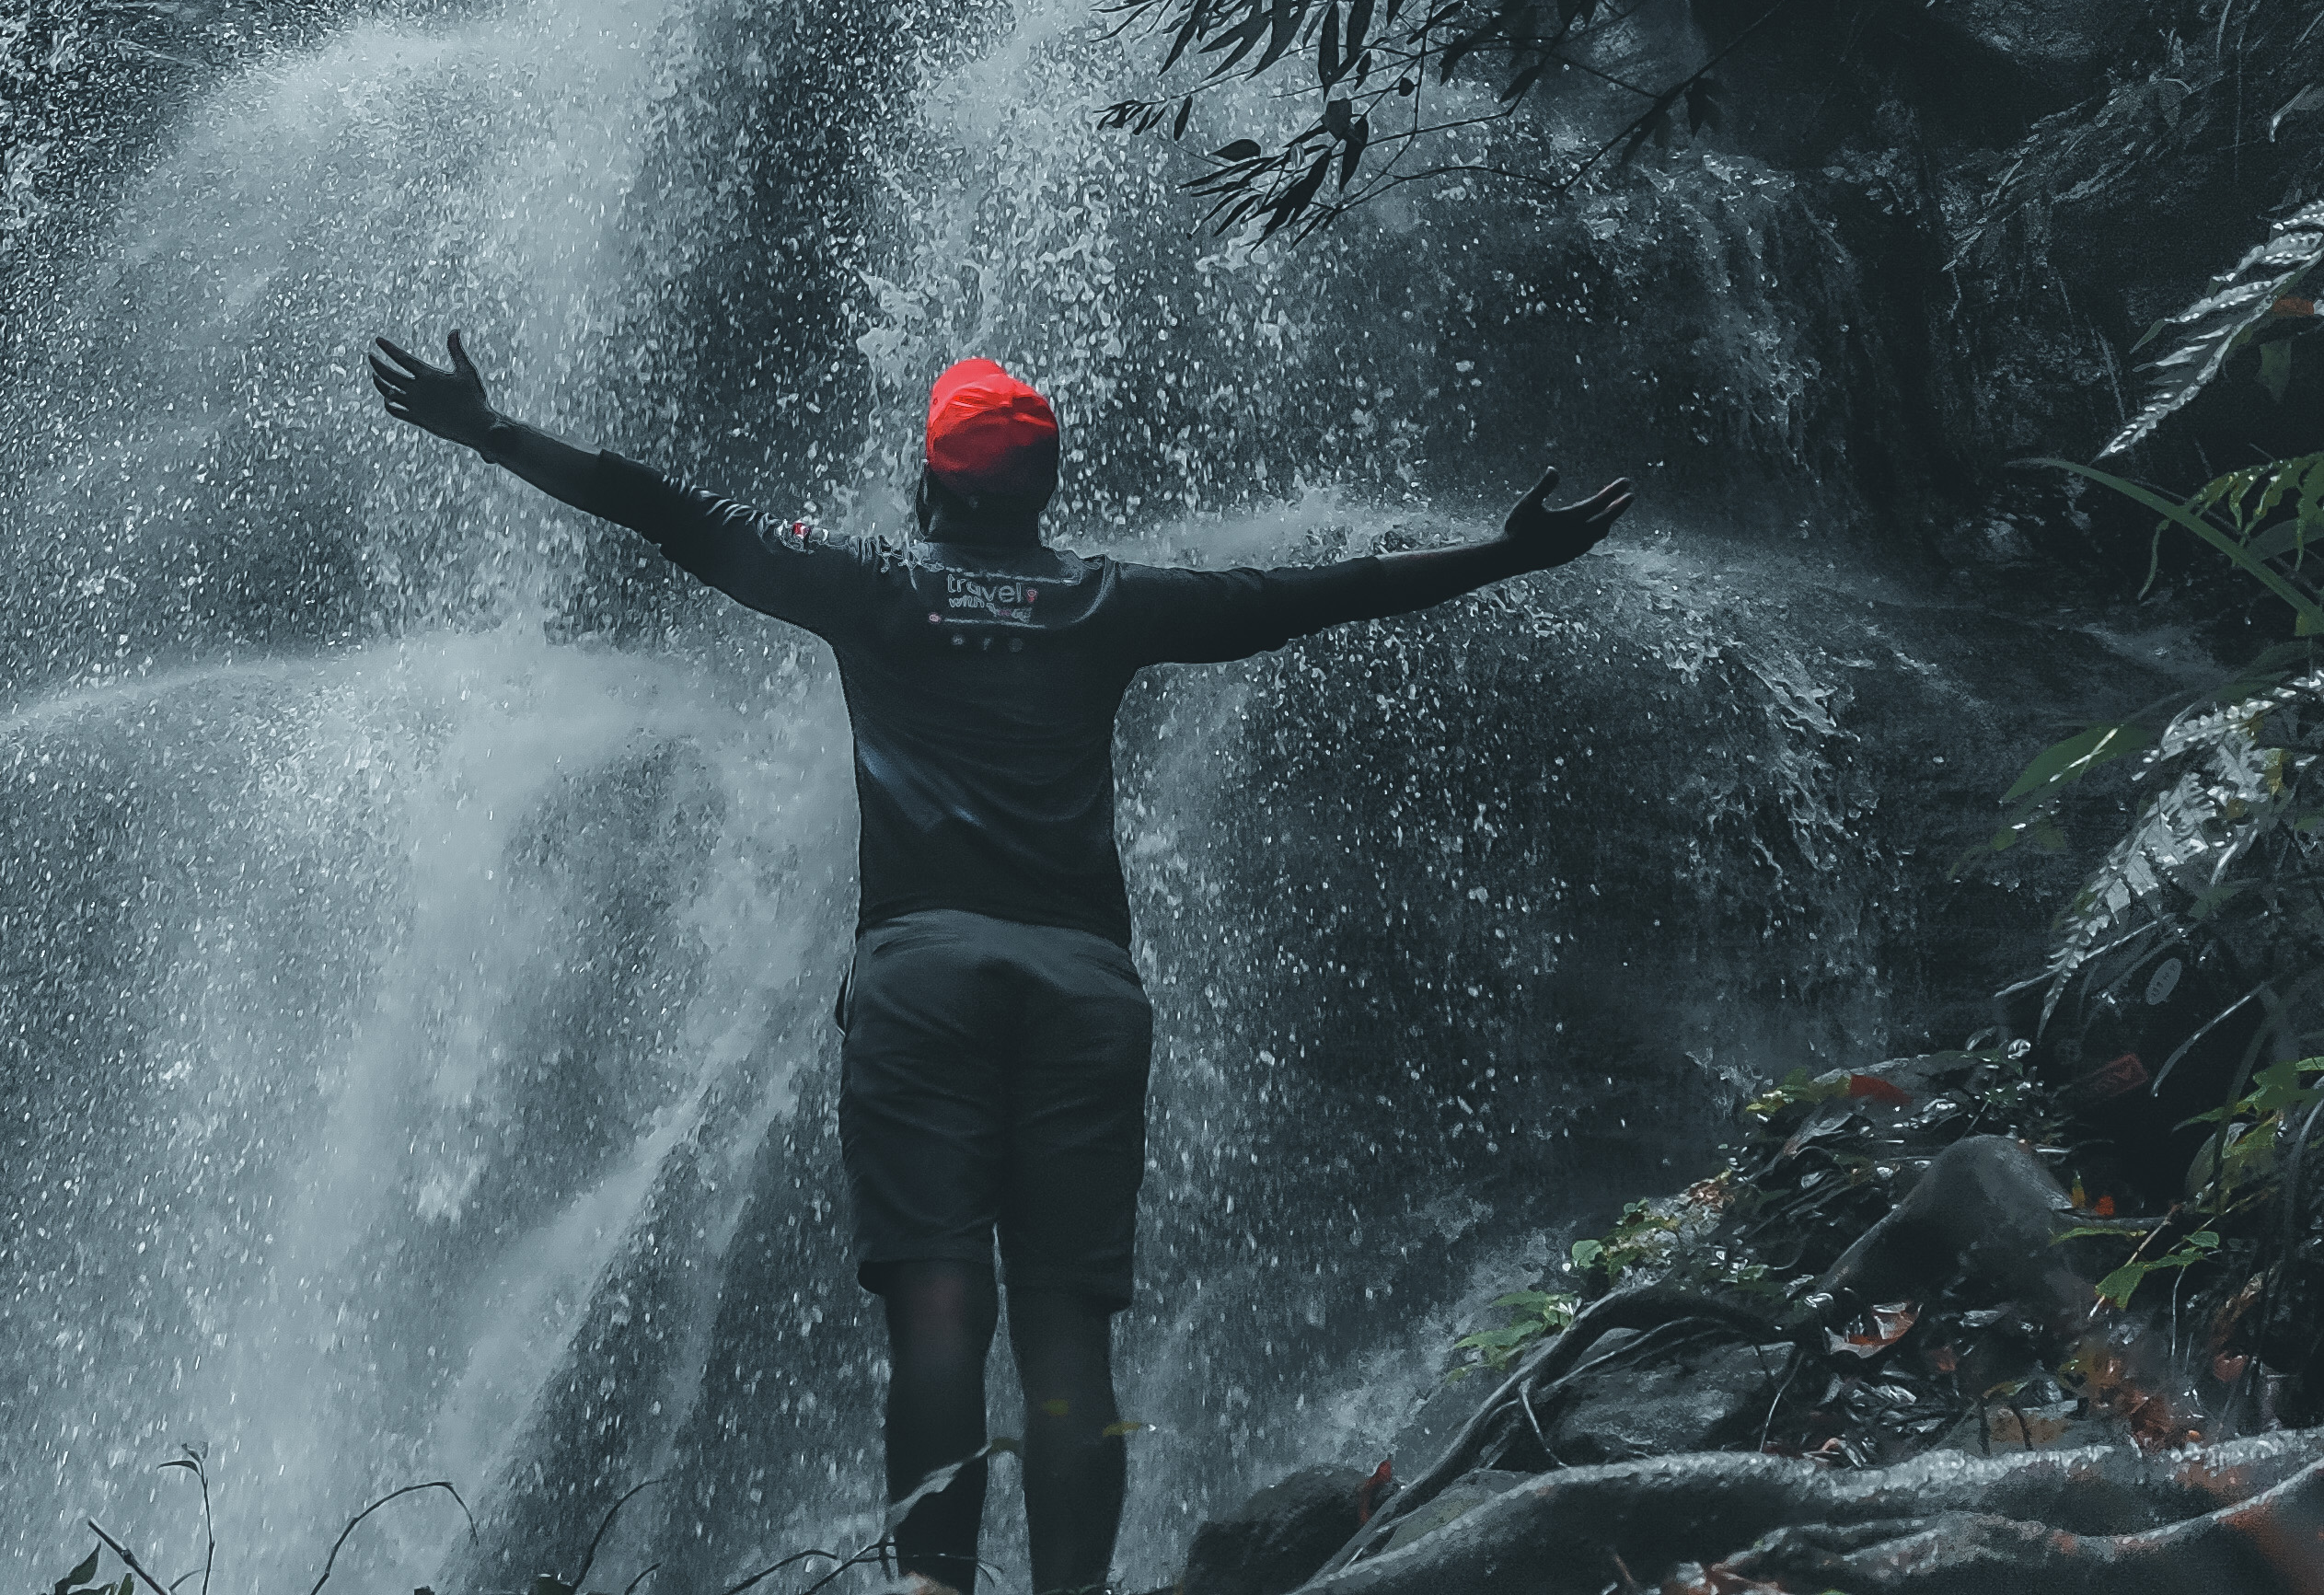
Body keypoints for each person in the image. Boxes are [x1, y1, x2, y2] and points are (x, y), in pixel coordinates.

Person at [365, 331, 1630, 1595]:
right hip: (1080, 988)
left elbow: (663, 510)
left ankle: (933, 1585)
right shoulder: (1107, 599)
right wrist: (1505, 554)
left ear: (930, 478)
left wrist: (488, 429)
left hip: (921, 978)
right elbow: (1307, 592)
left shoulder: (869, 583)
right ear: (1046, 485)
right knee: (1066, 1329)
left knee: (936, 1311)